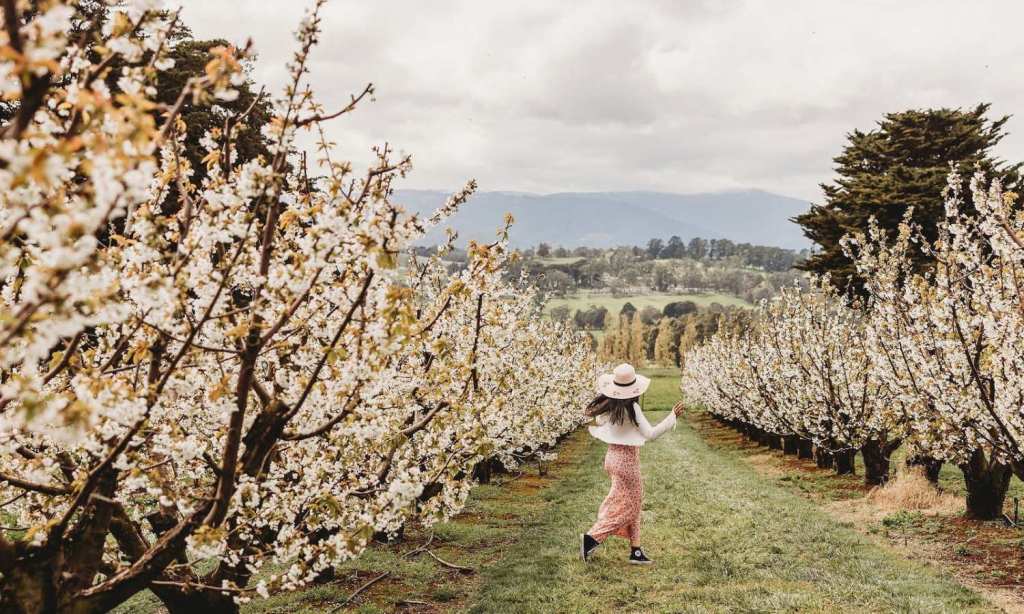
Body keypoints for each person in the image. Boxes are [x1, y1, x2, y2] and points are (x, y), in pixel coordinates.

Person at [580, 363, 685, 565]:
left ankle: (635, 550)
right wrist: (672, 416)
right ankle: (592, 538)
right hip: (627, 462)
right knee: (631, 506)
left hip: (612, 458)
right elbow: (650, 434)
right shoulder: (632, 408)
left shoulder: (610, 406)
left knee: (633, 503)